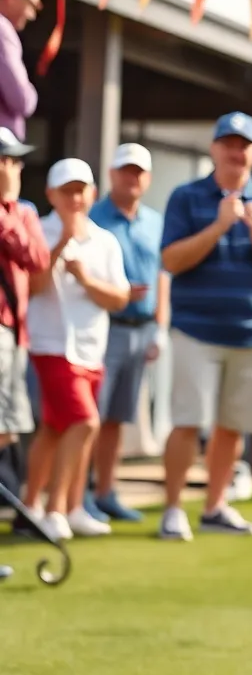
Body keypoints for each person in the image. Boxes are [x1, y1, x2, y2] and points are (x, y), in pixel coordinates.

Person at [158, 112, 252, 540]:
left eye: (244, 144)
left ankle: (215, 507)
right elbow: (171, 260)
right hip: (195, 329)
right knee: (187, 421)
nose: (236, 151)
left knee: (232, 425)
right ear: (214, 148)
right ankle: (173, 509)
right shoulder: (186, 197)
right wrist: (219, 225)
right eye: (229, 143)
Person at [24, 159, 129, 540]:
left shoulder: (105, 240)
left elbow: (119, 298)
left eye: (81, 189)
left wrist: (84, 278)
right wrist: (62, 243)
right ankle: (54, 510)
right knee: (85, 423)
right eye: (67, 190)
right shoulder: (37, 230)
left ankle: (45, 505)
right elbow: (32, 287)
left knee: (55, 428)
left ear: (92, 194)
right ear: (51, 194)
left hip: (91, 349)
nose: (75, 197)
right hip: (49, 346)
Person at [87, 143, 168, 523]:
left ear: (147, 179)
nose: (131, 178)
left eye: (138, 172)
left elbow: (162, 275)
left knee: (117, 417)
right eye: (125, 171)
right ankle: (80, 494)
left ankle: (106, 492)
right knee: (91, 416)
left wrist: (160, 327)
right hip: (104, 326)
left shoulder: (155, 221)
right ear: (112, 175)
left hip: (141, 327)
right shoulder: (94, 217)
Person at [0, 127, 48, 574]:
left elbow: (35, 258)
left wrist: (8, 209)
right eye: (6, 160)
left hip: (16, 334)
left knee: (8, 431)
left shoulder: (23, 212)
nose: (12, 169)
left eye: (15, 161)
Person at [0, 0, 39, 141]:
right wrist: (31, 95)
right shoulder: (2, 30)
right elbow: (20, 99)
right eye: (31, 5)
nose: (32, 15)